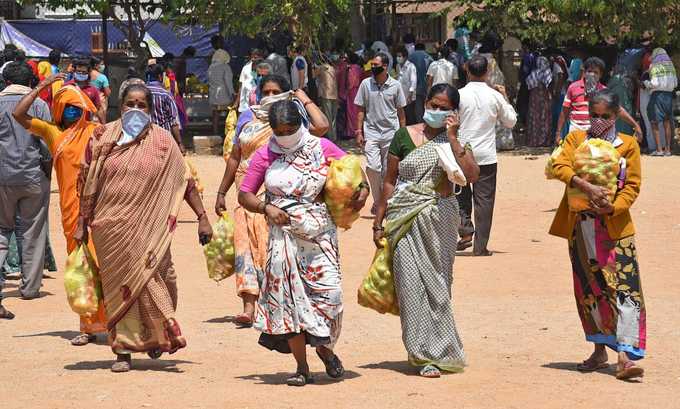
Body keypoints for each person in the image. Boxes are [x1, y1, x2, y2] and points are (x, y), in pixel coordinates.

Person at [76, 83, 213, 372]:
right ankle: (123, 350)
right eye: (130, 104)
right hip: (110, 229)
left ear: (150, 109)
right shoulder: (102, 137)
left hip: (151, 229)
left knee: (164, 279)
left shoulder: (163, 142)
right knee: (121, 288)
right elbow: (86, 185)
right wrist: (81, 224)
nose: (135, 110)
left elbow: (184, 182)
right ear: (120, 106)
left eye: (142, 105)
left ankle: (155, 335)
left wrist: (202, 216)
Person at [238, 99, 368, 386]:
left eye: (291, 128)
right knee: (289, 301)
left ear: (301, 123)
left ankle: (326, 349)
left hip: (319, 236)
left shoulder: (320, 148)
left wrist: (363, 191)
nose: (286, 134)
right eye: (280, 130)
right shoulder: (265, 155)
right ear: (271, 129)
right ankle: (301, 367)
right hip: (282, 238)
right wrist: (266, 208)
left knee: (329, 296)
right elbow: (245, 194)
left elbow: (353, 172)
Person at [373, 84, 479, 377]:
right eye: (433, 105)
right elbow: (389, 181)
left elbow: (471, 175)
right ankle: (421, 355)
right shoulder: (403, 136)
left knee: (439, 284)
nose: (437, 111)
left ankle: (443, 348)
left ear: (453, 113)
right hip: (404, 217)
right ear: (425, 103)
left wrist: (454, 137)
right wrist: (378, 219)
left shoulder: (455, 140)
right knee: (411, 286)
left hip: (440, 218)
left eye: (444, 108)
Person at [215, 75, 328, 327]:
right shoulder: (247, 117)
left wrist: (303, 98)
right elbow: (235, 156)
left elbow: (321, 127)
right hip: (247, 192)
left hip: (278, 191)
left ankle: (277, 300)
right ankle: (248, 305)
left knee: (271, 248)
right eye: (265, 91)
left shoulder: (290, 122)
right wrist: (222, 192)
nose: (270, 95)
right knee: (244, 246)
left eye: (276, 91)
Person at [549, 89, 645, 381]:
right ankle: (599, 348)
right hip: (580, 227)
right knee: (589, 289)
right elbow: (558, 165)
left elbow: (632, 186)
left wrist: (612, 207)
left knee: (624, 289)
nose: (599, 121)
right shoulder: (577, 139)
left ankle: (625, 356)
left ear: (616, 116)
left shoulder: (626, 145)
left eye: (606, 116)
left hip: (614, 228)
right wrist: (584, 185)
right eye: (595, 115)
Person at [13, 74, 107, 344]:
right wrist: (42, 87)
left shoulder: (97, 132)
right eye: (66, 107)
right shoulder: (54, 134)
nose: (72, 112)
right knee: (81, 269)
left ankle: (113, 323)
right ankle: (87, 326)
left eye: (76, 107)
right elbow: (19, 114)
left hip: (99, 209)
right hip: (70, 212)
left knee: (103, 267)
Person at [0, 63, 53, 318]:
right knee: (33, 231)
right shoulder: (40, 105)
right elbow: (46, 144)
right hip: (33, 175)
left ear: (5, 80)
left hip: (2, 177)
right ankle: (30, 287)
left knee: (1, 231)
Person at [456, 55, 517, 256]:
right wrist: (505, 97)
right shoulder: (495, 96)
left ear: (467, 70)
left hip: (463, 153)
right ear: (487, 72)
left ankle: (465, 230)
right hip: (486, 156)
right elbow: (510, 121)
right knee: (484, 201)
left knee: (460, 196)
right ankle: (480, 247)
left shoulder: (459, 95)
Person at [355, 52, 407, 214]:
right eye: (372, 65)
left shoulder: (396, 86)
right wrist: (358, 131)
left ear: (385, 67)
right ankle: (378, 201)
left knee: (387, 171)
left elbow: (401, 113)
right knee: (373, 167)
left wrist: (402, 134)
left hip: (391, 134)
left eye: (376, 66)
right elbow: (361, 109)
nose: (373, 68)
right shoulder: (365, 84)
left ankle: (384, 203)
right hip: (371, 132)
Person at [555, 57, 641, 144]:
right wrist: (558, 133)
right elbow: (564, 111)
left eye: (596, 72)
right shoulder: (573, 88)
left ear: (600, 75)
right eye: (589, 71)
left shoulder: (604, 91)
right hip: (576, 130)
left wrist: (635, 125)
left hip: (597, 133)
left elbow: (618, 110)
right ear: (584, 72)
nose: (592, 74)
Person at [643, 47, 677, 156]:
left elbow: (654, 83)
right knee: (667, 122)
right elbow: (675, 83)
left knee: (654, 122)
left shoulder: (654, 66)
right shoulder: (671, 66)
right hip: (668, 96)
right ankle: (667, 150)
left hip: (657, 96)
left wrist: (646, 83)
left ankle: (659, 150)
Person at [146, 64, 184, 153]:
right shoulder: (166, 95)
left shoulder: (140, 92)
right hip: (163, 138)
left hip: (145, 138)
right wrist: (179, 143)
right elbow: (174, 121)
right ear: (160, 76)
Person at [65, 58, 105, 124]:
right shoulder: (67, 87)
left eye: (84, 72)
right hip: (69, 126)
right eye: (78, 72)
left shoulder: (93, 90)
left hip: (86, 126)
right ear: (74, 71)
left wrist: (103, 125)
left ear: (88, 73)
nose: (81, 74)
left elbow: (98, 109)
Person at [525, 56, 553, 147]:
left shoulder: (534, 73)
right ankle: (544, 141)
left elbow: (528, 84)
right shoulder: (547, 72)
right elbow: (549, 85)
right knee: (544, 117)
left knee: (534, 117)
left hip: (533, 99)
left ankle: (534, 140)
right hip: (543, 98)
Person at [208, 49, 235, 135]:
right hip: (224, 95)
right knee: (229, 114)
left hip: (213, 95)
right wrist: (232, 94)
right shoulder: (225, 67)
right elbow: (228, 83)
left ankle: (215, 133)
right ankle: (227, 134)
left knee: (215, 114)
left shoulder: (211, 67)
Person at [313, 54, 339, 140]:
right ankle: (334, 137)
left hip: (326, 95)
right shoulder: (332, 68)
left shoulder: (321, 67)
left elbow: (313, 75)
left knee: (327, 117)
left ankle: (330, 138)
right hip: (334, 94)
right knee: (333, 118)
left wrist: (314, 67)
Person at [408, 43, 433, 122]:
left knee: (418, 106)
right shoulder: (429, 57)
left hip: (415, 85)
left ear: (415, 48)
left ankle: (419, 122)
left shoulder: (410, 57)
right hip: (426, 85)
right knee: (427, 105)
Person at [237, 49, 264, 113]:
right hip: (246, 100)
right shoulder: (245, 68)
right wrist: (237, 101)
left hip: (258, 101)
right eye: (252, 57)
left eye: (255, 57)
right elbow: (241, 85)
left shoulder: (264, 69)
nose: (253, 59)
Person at [395, 47, 417, 126]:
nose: (398, 58)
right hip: (400, 96)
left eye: (400, 56)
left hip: (408, 97)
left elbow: (413, 81)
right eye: (397, 56)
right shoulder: (398, 66)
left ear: (405, 57)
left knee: (410, 117)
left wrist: (410, 95)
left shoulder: (411, 66)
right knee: (401, 117)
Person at [345, 52, 363, 139]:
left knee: (351, 112)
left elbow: (351, 82)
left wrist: (347, 89)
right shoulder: (359, 68)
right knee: (357, 111)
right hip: (358, 89)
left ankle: (352, 132)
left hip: (352, 91)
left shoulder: (351, 69)